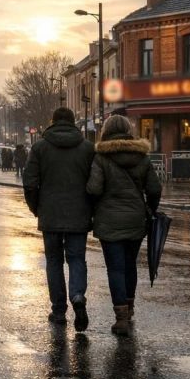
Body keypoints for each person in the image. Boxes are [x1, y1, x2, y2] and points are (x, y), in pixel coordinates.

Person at [86, 114, 161, 337]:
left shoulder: (101, 157)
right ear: (128, 130)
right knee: (130, 265)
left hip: (109, 220)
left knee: (115, 268)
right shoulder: (142, 157)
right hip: (136, 219)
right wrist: (150, 209)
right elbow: (155, 189)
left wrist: (94, 208)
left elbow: (94, 189)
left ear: (106, 131)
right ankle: (129, 309)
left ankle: (121, 318)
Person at [24, 107, 96, 331]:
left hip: (50, 214)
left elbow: (30, 183)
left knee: (54, 262)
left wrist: (37, 208)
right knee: (76, 259)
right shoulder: (87, 148)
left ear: (52, 122)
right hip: (79, 215)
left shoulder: (40, 148)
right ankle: (77, 296)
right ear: (73, 122)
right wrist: (90, 209)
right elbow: (94, 184)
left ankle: (58, 311)